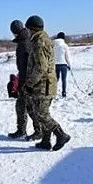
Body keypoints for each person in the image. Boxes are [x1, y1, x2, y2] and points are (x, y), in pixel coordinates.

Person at [22, 15, 71, 151]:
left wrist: (30, 83)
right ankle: (45, 141)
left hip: (44, 85)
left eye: (27, 29)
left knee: (41, 114)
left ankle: (61, 135)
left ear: (32, 29)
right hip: (43, 84)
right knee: (41, 112)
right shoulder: (40, 39)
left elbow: (40, 67)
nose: (27, 31)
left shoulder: (40, 42)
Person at [7, 20, 42, 141]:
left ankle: (39, 131)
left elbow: (29, 63)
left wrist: (27, 80)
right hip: (23, 78)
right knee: (21, 106)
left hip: (27, 80)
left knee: (30, 107)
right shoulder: (24, 40)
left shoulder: (24, 43)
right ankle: (21, 130)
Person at [53, 32, 72, 98]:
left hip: (55, 64)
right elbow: (67, 56)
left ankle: (53, 92)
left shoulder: (53, 45)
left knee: (55, 79)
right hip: (63, 64)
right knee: (64, 79)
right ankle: (64, 92)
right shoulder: (64, 45)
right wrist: (69, 65)